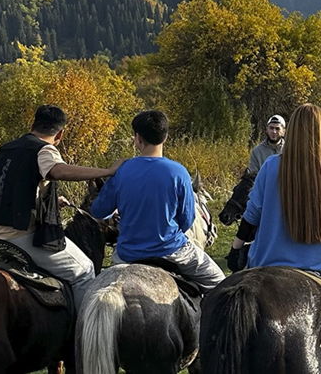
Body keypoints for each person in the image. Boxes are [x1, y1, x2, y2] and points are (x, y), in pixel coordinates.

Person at [227, 103, 321, 369]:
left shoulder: (270, 166)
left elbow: (252, 213)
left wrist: (236, 246)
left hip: (269, 259)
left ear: (292, 132)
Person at [0, 105, 124, 310]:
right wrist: (108, 170)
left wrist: (51, 202)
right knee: (84, 271)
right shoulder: (44, 149)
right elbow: (58, 170)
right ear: (60, 134)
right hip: (18, 236)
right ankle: (80, 335)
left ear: (32, 125)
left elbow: (13, 189)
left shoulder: (8, 148)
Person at [90, 110, 225, 293]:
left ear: (137, 139)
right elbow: (187, 219)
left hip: (127, 254)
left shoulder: (122, 171)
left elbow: (98, 211)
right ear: (166, 137)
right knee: (220, 283)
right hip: (172, 251)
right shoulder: (179, 172)